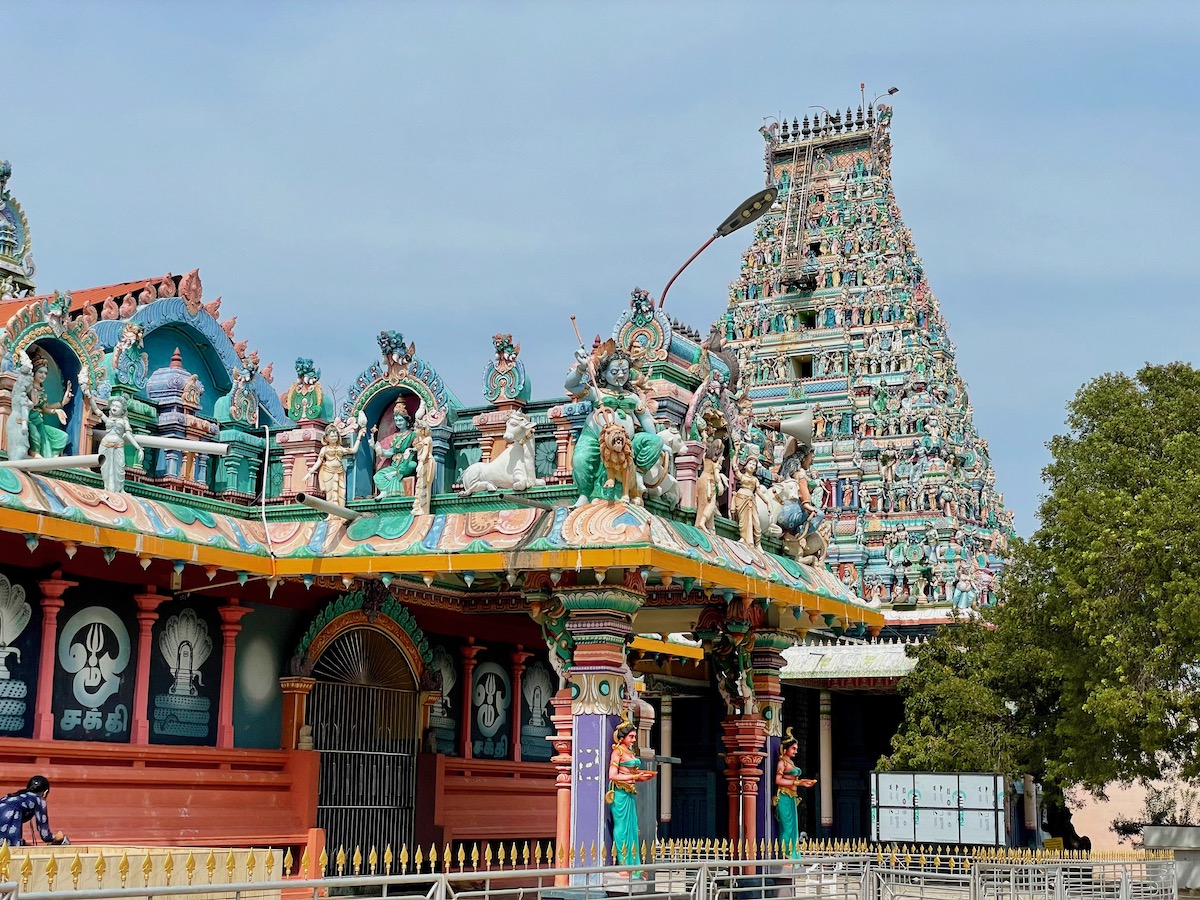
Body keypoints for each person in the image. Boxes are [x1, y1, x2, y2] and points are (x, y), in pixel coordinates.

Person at [565, 341, 663, 506]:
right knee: (581, 460)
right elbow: (571, 385)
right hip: (596, 438)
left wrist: (655, 438)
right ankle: (585, 493)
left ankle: (637, 474)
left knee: (657, 441)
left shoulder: (632, 397)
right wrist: (581, 368)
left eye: (624, 371)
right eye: (615, 371)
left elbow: (645, 417)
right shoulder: (597, 393)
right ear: (603, 374)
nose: (620, 375)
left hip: (625, 443)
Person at [607, 720, 655, 873]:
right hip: (620, 794)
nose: (634, 740)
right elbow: (612, 775)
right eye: (631, 737)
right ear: (622, 737)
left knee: (633, 828)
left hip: (629, 793)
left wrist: (640, 776)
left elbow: (631, 774)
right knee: (622, 828)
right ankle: (623, 864)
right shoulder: (618, 752)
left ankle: (633, 865)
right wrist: (634, 778)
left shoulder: (629, 752)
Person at [775, 730, 815, 859]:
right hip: (784, 796)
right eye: (793, 748)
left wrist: (802, 783)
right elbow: (778, 780)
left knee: (793, 829)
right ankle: (785, 855)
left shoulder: (790, 763)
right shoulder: (782, 763)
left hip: (792, 797)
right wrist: (799, 783)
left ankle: (792, 855)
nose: (796, 751)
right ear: (785, 748)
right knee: (787, 828)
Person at [0, 776, 67, 846]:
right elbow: (45, 835)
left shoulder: (12, 797)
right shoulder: (38, 799)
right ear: (45, 792)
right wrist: (57, 838)